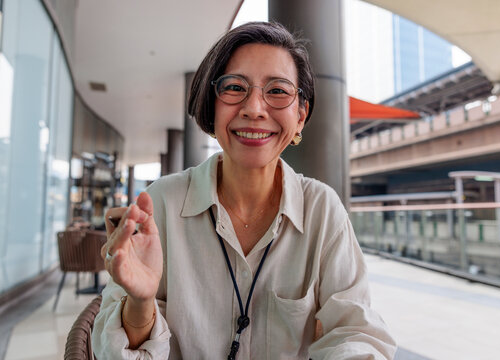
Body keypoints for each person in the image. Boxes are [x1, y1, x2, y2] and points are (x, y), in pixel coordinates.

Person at [92, 21, 396, 359]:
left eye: (278, 90)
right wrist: (141, 301)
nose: (253, 108)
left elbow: (355, 332)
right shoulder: (160, 203)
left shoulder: (321, 209)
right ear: (213, 104)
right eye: (235, 87)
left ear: (300, 115)